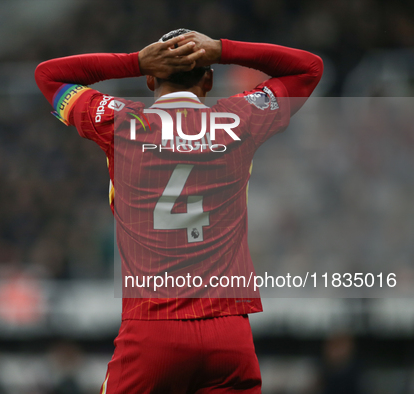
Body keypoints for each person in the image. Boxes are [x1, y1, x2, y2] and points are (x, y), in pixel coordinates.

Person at [35, 28, 322, 393]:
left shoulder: (122, 123)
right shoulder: (241, 119)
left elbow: (48, 75)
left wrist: (134, 61)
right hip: (229, 333)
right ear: (209, 78)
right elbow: (308, 69)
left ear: (151, 78)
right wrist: (221, 48)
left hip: (154, 328)